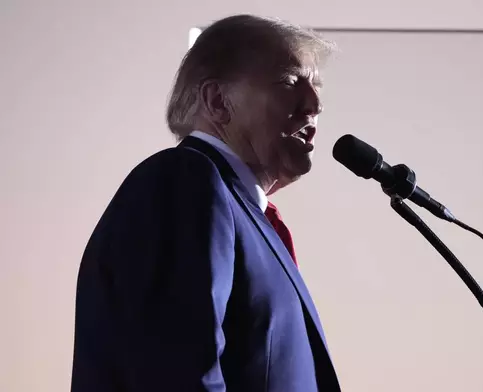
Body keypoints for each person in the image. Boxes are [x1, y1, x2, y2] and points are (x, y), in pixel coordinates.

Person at [71, 14, 341, 392]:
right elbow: (174, 374)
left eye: (315, 86)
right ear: (217, 101)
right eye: (289, 81)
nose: (314, 104)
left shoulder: (238, 209)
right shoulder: (184, 180)